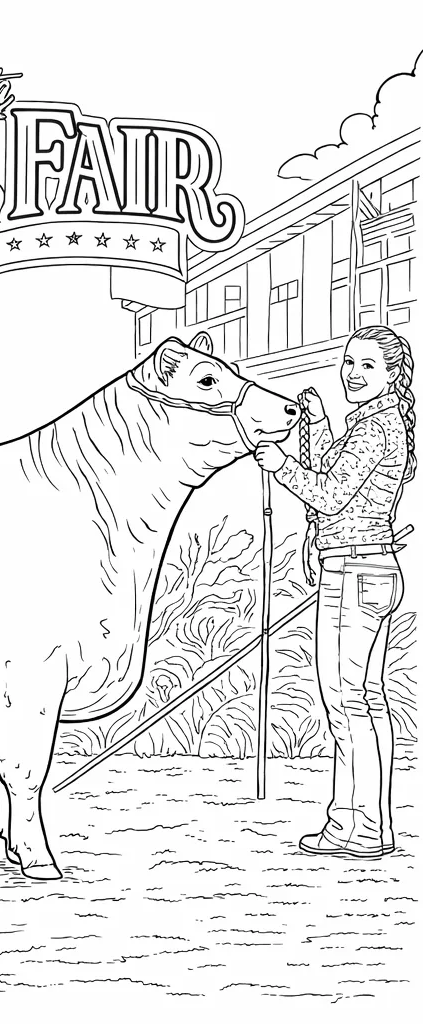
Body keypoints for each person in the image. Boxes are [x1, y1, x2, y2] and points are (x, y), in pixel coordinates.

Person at [254, 326, 414, 859]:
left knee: (351, 702)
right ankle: (353, 822)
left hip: (355, 571)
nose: (352, 373)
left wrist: (281, 466)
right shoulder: (372, 423)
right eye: (348, 362)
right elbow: (334, 473)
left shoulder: (376, 427)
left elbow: (329, 492)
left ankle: (362, 826)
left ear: (392, 374)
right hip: (363, 567)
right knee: (357, 702)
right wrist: (317, 428)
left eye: (366, 365)